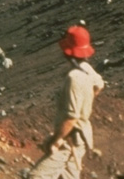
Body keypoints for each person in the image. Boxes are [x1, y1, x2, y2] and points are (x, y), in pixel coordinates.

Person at [28, 25, 105, 179]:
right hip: (81, 138)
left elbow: (71, 118)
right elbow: (100, 84)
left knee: (36, 176)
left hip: (70, 139)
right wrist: (86, 102)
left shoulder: (74, 77)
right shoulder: (87, 68)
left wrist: (56, 140)